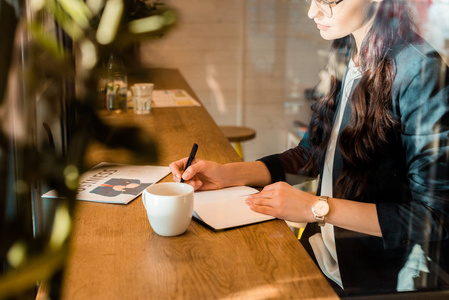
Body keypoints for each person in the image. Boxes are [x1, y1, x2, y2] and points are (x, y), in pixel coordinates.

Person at [169, 0, 449, 296]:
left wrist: (316, 208)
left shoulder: (420, 71)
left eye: (328, 1)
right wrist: (227, 174)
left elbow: (434, 217)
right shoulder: (346, 50)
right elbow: (309, 154)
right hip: (323, 255)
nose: (312, 12)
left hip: (383, 278)